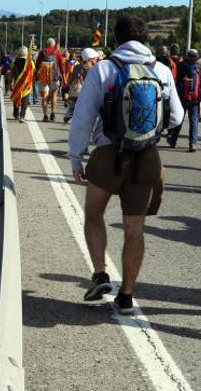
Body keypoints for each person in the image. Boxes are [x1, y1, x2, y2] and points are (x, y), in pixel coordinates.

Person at [68, 16, 184, 314]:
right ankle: (127, 295)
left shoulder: (104, 69)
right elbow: (177, 117)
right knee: (135, 228)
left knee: (94, 215)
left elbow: (83, 117)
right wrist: (151, 130)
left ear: (117, 38)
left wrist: (76, 156)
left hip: (108, 154)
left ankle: (100, 275)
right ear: (145, 38)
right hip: (146, 157)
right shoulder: (160, 69)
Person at [168, 49, 201, 152]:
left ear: (187, 56)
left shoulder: (181, 65)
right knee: (194, 120)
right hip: (195, 98)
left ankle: (173, 140)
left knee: (180, 118)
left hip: (182, 97)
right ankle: (193, 143)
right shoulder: (198, 67)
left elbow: (178, 80)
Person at [64, 48, 99, 123]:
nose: (97, 59)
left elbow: (71, 76)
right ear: (89, 59)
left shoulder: (76, 64)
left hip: (77, 89)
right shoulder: (92, 68)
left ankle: (71, 112)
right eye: (95, 58)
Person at [36, 38, 64, 122]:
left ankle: (45, 115)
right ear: (53, 44)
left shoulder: (42, 52)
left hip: (44, 77)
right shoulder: (57, 52)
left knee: (44, 96)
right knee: (54, 95)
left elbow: (37, 64)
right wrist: (64, 78)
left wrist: (35, 75)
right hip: (54, 76)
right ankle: (53, 113)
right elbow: (61, 66)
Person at [9, 46, 34, 122]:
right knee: (25, 100)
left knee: (16, 98)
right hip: (26, 84)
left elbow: (11, 74)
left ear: (19, 53)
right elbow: (33, 73)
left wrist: (10, 83)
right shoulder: (30, 62)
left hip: (17, 84)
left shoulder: (14, 62)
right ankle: (22, 115)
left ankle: (16, 114)